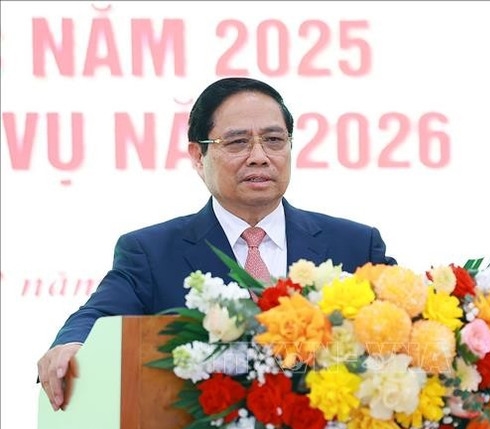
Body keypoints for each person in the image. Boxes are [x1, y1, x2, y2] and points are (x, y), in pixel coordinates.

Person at [37, 77, 396, 411]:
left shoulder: (354, 245)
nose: (259, 156)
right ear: (198, 156)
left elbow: (408, 325)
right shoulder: (151, 252)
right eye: (238, 142)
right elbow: (97, 316)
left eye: (274, 140)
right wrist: (71, 345)